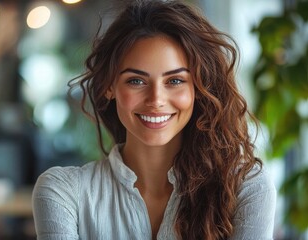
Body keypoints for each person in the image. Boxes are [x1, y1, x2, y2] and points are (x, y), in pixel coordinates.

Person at [32, 0, 276, 239]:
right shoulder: (63, 192)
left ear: (198, 88)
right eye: (136, 81)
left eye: (175, 81)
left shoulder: (246, 188)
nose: (156, 99)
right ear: (109, 86)